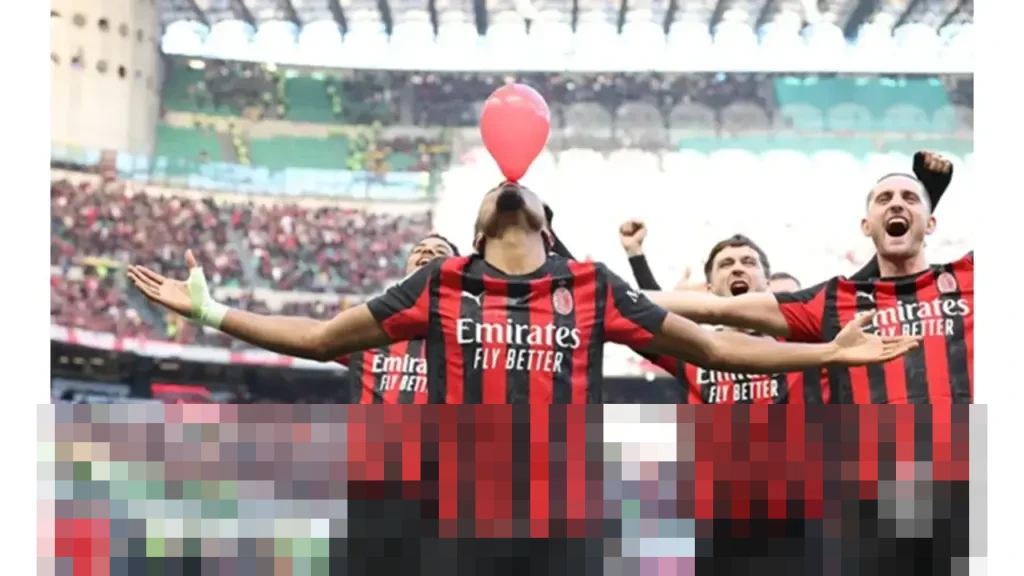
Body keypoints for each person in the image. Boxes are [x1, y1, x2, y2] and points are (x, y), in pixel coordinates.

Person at [128, 182, 920, 405]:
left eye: (523, 191)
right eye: (495, 194)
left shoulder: (590, 285)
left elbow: (712, 347)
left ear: (547, 222)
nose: (509, 190)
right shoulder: (440, 284)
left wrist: (828, 352)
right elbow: (319, 339)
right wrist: (209, 311)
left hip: (559, 518)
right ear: (479, 231)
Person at [647, 160, 972, 404]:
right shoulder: (830, 306)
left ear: (931, 223)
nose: (896, 203)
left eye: (910, 198)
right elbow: (709, 316)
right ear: (865, 226)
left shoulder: (970, 276)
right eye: (884, 198)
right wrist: (620, 287)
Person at [619, 227, 825, 403]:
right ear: (710, 286)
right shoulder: (692, 345)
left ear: (767, 283)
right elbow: (651, 319)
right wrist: (636, 255)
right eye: (726, 264)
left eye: (748, 262)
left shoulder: (803, 341)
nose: (737, 269)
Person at [335, 233, 458, 403]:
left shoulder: (470, 335)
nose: (427, 251)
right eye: (418, 250)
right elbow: (316, 339)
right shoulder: (372, 329)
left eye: (440, 251)